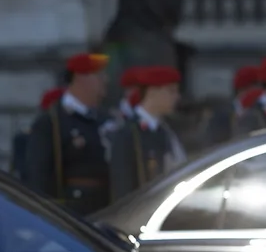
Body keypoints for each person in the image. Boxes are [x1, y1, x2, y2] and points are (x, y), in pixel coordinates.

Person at [19, 52, 111, 215]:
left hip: (105, 210)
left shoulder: (104, 119)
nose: (105, 81)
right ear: (81, 79)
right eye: (98, 76)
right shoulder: (51, 122)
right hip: (72, 213)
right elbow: (38, 174)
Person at [105, 65, 187, 202]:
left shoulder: (165, 131)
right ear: (153, 92)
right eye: (171, 91)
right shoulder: (127, 133)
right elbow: (121, 187)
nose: (177, 97)